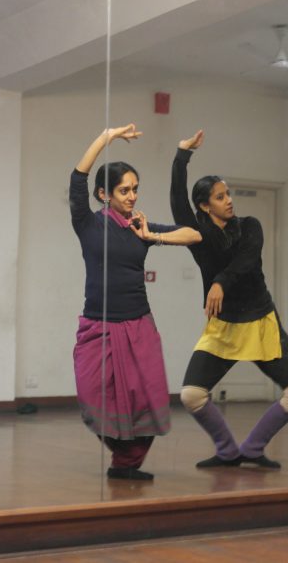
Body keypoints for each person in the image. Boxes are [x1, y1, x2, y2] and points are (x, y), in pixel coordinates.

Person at [170, 130, 288, 469]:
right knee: (191, 395)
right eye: (220, 196)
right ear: (205, 206)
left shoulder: (250, 225)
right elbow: (178, 203)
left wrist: (219, 282)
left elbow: (247, 260)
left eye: (228, 193)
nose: (229, 200)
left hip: (261, 321)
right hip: (223, 327)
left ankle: (253, 447)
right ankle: (227, 450)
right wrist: (181, 156)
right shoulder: (199, 236)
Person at [70, 124, 202, 481]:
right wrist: (106, 137)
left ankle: (126, 464)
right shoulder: (87, 223)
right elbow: (78, 175)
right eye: (124, 190)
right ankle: (124, 455)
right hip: (97, 325)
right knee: (92, 399)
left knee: (146, 396)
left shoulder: (138, 227)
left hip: (138, 324)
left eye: (135, 189)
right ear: (104, 194)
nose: (132, 196)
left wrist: (152, 236)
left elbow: (194, 234)